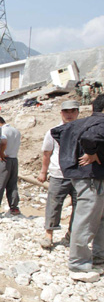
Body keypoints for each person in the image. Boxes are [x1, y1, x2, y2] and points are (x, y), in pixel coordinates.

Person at [51, 95, 104, 274]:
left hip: (83, 176)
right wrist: (93, 154)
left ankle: (98, 258)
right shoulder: (100, 123)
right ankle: (79, 263)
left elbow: (58, 133)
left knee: (97, 218)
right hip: (92, 178)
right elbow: (90, 138)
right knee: (86, 219)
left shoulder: (82, 123)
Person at [37, 100, 79, 249]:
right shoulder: (53, 131)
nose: (69, 114)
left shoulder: (83, 130)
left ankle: (71, 235)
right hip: (57, 173)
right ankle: (49, 235)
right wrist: (43, 172)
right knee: (53, 205)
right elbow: (47, 153)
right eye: (66, 111)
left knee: (79, 206)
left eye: (72, 111)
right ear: (61, 113)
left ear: (77, 113)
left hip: (78, 175)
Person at [0, 116, 22, 215]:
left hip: (4, 159)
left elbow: (3, 142)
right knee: (12, 184)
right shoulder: (16, 131)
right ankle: (14, 207)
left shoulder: (2, 131)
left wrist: (1, 152)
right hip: (14, 159)